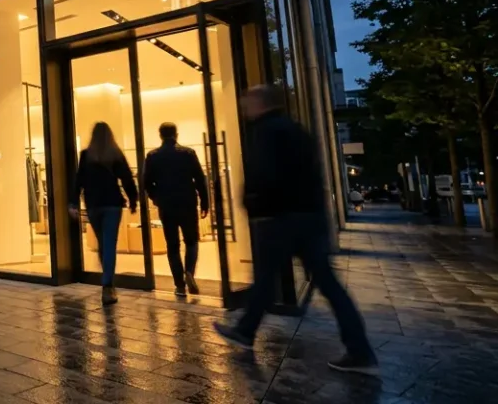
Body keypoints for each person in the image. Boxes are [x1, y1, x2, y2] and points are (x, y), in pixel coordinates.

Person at [214, 85, 377, 375]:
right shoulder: (296, 130)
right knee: (326, 283)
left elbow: (265, 174)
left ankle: (246, 330)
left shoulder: (267, 131)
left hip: (281, 217)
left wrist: (253, 204)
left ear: (260, 103)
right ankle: (359, 348)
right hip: (308, 216)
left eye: (247, 103)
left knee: (266, 278)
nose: (243, 108)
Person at [69, 122, 138, 306]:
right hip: (112, 204)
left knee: (103, 243)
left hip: (93, 204)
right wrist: (133, 200)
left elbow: (78, 181)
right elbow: (127, 178)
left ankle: (107, 281)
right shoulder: (115, 154)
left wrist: (73, 203)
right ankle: (108, 285)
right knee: (109, 244)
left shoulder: (86, 155)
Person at [143, 122, 210, 297]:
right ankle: (189, 272)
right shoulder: (188, 153)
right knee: (192, 241)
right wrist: (205, 202)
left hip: (166, 204)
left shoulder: (152, 156)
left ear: (160, 135)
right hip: (187, 202)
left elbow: (146, 183)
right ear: (176, 135)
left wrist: (156, 198)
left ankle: (179, 285)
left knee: (172, 245)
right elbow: (199, 179)